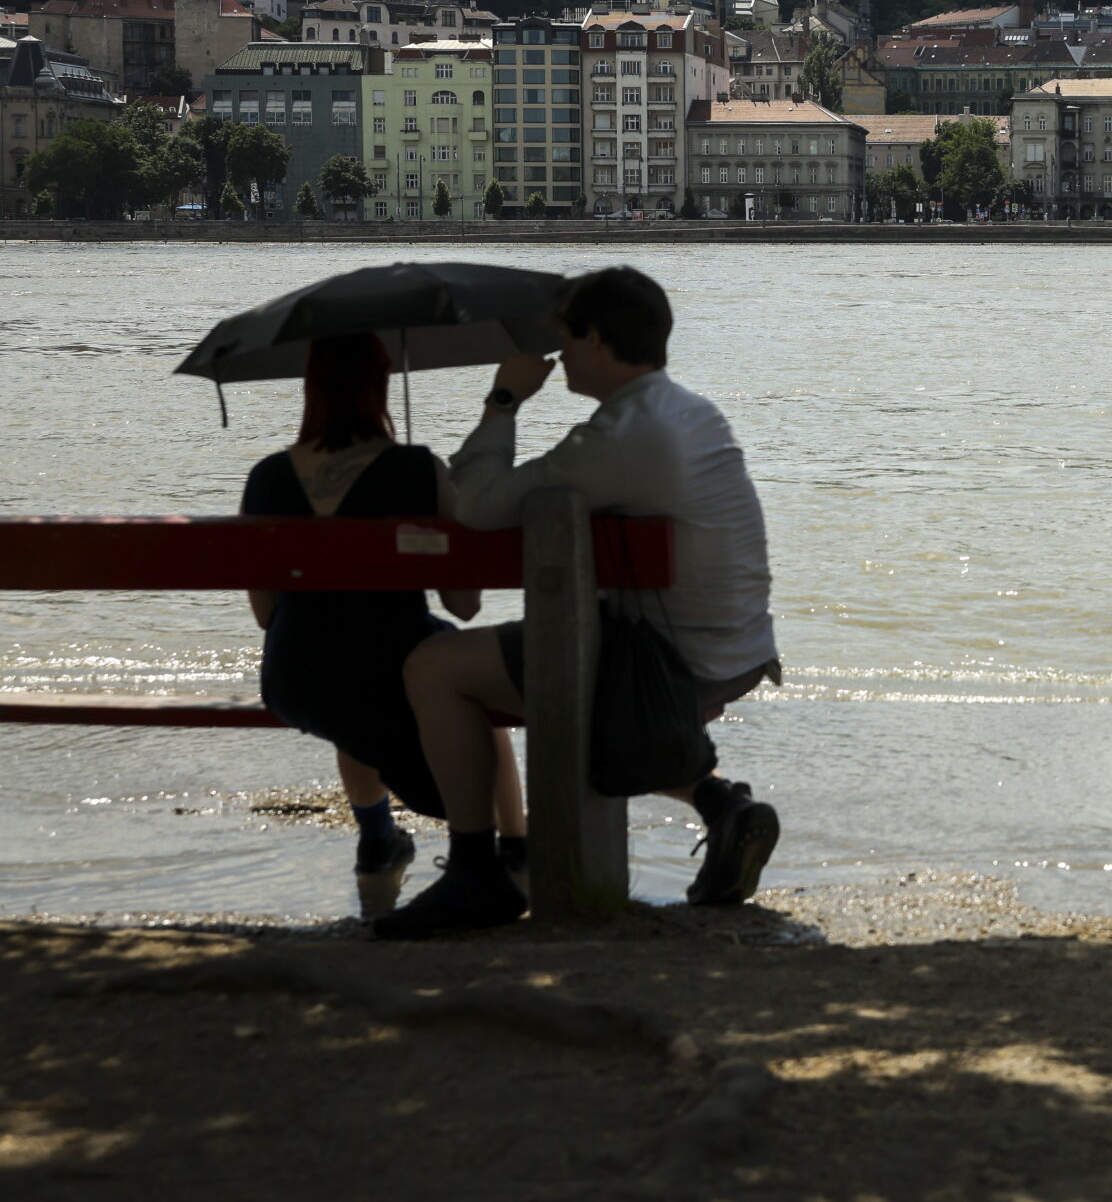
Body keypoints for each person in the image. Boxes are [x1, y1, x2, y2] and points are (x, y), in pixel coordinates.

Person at [375, 266, 781, 939]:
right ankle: (715, 802)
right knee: (524, 662)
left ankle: (478, 869)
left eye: (566, 337)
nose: (558, 353)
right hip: (734, 646)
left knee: (435, 665)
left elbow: (476, 508)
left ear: (596, 339)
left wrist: (504, 398)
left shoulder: (618, 437)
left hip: (668, 662)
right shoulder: (688, 411)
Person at [240, 334, 526, 882]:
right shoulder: (419, 469)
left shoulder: (267, 477)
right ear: (382, 386)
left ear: (311, 389)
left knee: (349, 691)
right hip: (392, 668)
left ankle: (377, 840)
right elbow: (463, 607)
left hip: (295, 678)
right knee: (465, 682)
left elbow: (264, 614)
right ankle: (513, 845)